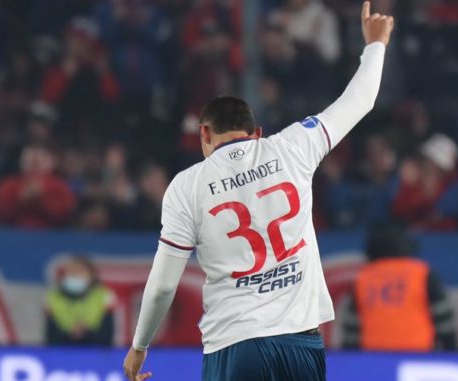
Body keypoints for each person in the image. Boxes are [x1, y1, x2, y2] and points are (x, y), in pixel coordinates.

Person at [122, 2, 393, 380]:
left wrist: (139, 346)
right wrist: (376, 44)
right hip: (301, 342)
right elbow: (360, 100)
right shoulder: (293, 146)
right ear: (257, 133)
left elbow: (163, 286)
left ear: (204, 133)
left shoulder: (187, 187)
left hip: (234, 344)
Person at [342, 223, 457, 351]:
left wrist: (349, 360)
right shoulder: (423, 273)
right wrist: (452, 353)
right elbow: (445, 322)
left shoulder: (362, 278)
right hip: (418, 356)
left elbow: (351, 332)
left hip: (374, 358)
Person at [0, 145, 77, 228]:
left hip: (51, 236)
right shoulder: (9, 185)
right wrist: (20, 199)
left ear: (51, 163)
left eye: (38, 161)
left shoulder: (60, 186)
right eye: (29, 161)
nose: (34, 165)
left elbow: (65, 214)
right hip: (14, 235)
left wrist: (42, 198)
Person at [45, 256, 115, 346]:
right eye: (71, 272)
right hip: (62, 348)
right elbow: (51, 337)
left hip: (96, 349)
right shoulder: (53, 297)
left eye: (79, 272)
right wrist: (70, 332)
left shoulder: (104, 296)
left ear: (92, 275)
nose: (74, 275)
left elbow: (106, 336)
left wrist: (86, 332)